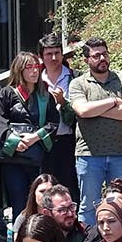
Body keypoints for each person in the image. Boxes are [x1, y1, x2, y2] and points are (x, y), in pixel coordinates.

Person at [0, 51, 72, 219]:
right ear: (19, 70)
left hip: (37, 157)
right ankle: (20, 240)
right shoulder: (7, 94)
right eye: (30, 67)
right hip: (13, 158)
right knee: (19, 203)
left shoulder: (45, 96)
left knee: (42, 202)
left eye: (37, 66)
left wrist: (34, 137)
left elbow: (53, 123)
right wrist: (14, 141)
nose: (35, 71)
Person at [69, 38, 122, 226]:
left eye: (105, 54)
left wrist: (95, 110)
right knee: (88, 206)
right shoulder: (78, 84)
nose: (102, 58)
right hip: (89, 155)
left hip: (120, 154)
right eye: (96, 55)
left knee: (120, 204)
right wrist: (113, 102)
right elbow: (82, 111)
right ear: (86, 60)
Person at [38, 34, 79, 196]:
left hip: (68, 140)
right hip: (43, 142)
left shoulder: (74, 77)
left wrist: (63, 102)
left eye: (57, 53)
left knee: (69, 188)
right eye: (49, 54)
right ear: (41, 56)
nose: (54, 57)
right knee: (46, 189)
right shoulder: (36, 79)